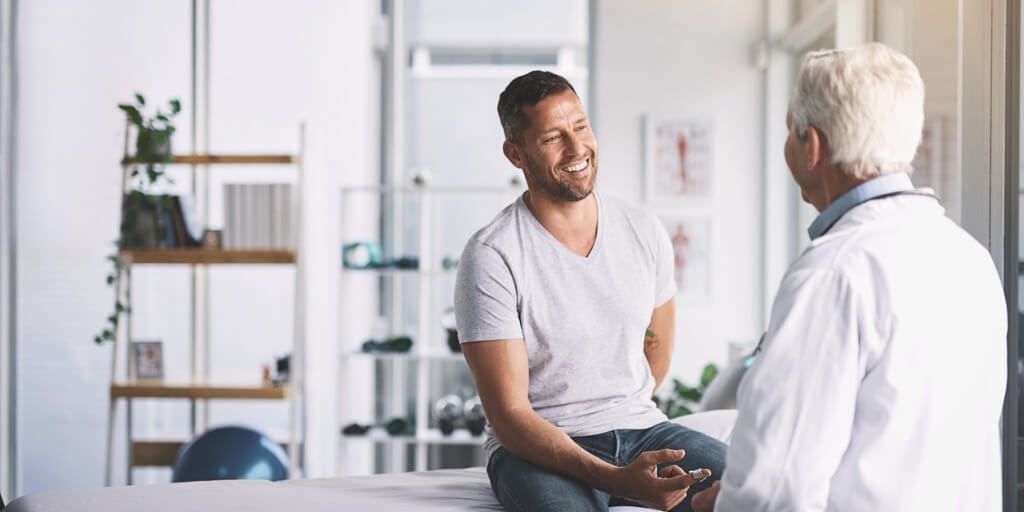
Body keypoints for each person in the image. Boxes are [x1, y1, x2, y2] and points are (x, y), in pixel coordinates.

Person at [691, 43, 1007, 511]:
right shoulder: (969, 258)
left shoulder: (832, 273)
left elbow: (775, 490)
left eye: (789, 132)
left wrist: (704, 505)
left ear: (812, 145)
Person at [454, 70, 726, 512]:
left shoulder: (642, 229)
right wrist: (617, 479)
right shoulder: (492, 255)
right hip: (537, 451)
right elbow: (509, 416)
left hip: (643, 429)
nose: (577, 147)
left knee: (761, 490)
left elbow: (656, 352)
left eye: (580, 126)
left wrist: (621, 425)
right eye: (552, 138)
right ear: (515, 154)